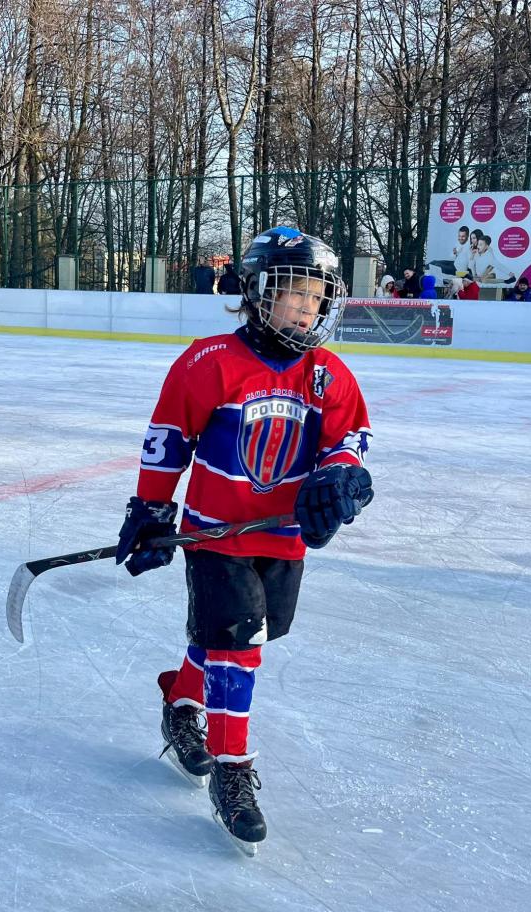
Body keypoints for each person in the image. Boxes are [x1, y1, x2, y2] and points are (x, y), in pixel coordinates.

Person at [114, 226, 373, 853]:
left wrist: (340, 477)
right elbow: (168, 438)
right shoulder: (209, 362)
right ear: (258, 293)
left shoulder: (327, 374)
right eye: (294, 293)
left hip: (283, 537)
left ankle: (181, 703)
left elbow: (350, 439)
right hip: (213, 533)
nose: (307, 308)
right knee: (239, 645)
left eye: (317, 296)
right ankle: (233, 770)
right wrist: (152, 509)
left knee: (244, 635)